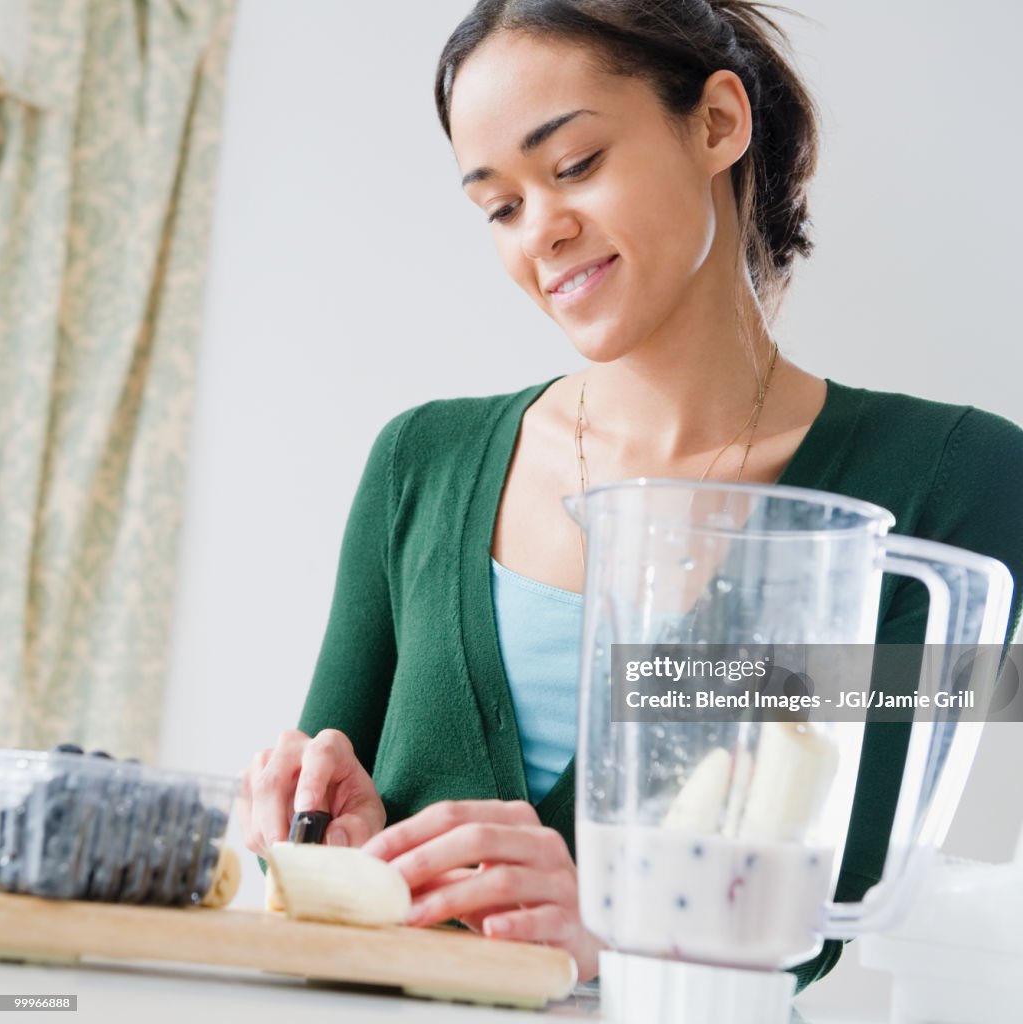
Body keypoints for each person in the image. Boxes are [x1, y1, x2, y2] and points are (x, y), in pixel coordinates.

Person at [238, 0, 1023, 990]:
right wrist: (336, 843)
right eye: (499, 205)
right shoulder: (419, 460)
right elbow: (319, 847)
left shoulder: (955, 477)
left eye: (572, 166)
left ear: (716, 124)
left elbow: (833, 896)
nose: (543, 231)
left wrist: (610, 930)